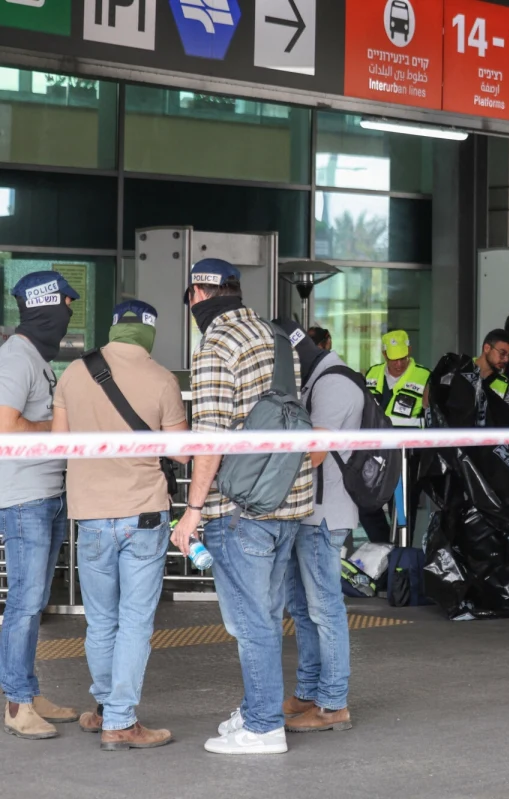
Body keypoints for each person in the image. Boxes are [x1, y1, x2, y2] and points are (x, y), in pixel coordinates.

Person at [170, 259, 314, 755]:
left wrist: (191, 509)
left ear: (196, 295)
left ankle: (262, 728)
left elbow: (209, 440)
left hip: (239, 508)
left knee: (250, 622)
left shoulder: (215, 345)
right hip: (288, 498)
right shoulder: (274, 335)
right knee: (267, 616)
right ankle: (260, 710)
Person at [52, 300, 187, 750]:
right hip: (143, 514)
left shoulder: (73, 373)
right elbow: (183, 453)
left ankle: (107, 707)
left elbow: (59, 444)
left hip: (89, 515)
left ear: (114, 330)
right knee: (133, 621)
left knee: (101, 621)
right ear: (149, 331)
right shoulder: (162, 379)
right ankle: (120, 720)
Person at [0, 271, 81, 740]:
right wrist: (58, 431)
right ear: (50, 306)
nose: (70, 312)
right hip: (24, 498)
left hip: (44, 494)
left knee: (36, 602)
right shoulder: (16, 358)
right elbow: (6, 427)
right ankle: (16, 703)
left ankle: (27, 689)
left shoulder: (36, 357)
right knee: (25, 604)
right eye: (68, 304)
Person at [275, 320, 357, 734]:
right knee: (304, 610)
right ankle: (309, 691)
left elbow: (316, 454)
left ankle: (332, 703)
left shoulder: (334, 383)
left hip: (326, 515)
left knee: (325, 610)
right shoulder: (315, 380)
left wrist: (265, 472)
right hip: (305, 512)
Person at [362, 330, 431, 544]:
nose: (398, 364)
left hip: (406, 456)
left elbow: (430, 416)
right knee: (365, 503)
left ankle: (401, 562)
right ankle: (384, 548)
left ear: (409, 351)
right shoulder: (372, 374)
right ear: (384, 355)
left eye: (402, 357)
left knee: (401, 512)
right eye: (393, 359)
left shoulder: (424, 375)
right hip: (375, 453)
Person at [477, 329, 509, 409]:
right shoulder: (462, 370)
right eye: (502, 353)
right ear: (487, 348)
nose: (506, 360)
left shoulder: (504, 384)